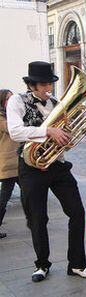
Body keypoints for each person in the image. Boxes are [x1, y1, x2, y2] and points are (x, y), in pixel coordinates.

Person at [6, 61, 86, 282]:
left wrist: (66, 139)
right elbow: (15, 131)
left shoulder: (57, 103)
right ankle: (42, 265)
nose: (49, 88)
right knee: (38, 218)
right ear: (32, 85)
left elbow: (66, 136)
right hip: (30, 167)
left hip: (56, 164)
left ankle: (77, 264)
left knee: (77, 212)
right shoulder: (17, 101)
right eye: (44, 84)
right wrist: (48, 131)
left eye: (50, 83)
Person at [0, 89, 20, 239]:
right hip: (8, 163)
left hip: (17, 162)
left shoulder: (9, 115)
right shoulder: (2, 118)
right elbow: (12, 129)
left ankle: (35, 222)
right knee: (4, 196)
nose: (11, 101)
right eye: (8, 99)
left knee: (29, 193)